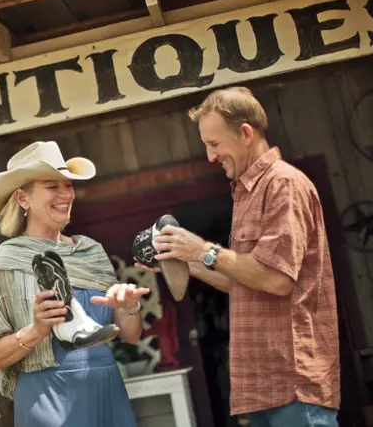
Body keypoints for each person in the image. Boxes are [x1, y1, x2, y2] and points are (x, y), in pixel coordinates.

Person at [136, 86, 340, 426]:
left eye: (214, 144)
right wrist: (183, 260)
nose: (210, 157)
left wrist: (203, 250)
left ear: (245, 133)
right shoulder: (248, 193)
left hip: (293, 384)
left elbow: (275, 280)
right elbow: (245, 280)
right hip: (262, 388)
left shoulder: (282, 184)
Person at [0, 141, 148, 427]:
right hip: (48, 397)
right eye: (52, 186)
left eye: (68, 186)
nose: (65, 195)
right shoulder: (5, 263)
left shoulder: (91, 252)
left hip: (107, 388)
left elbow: (131, 335)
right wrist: (36, 331)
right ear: (23, 199)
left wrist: (130, 306)